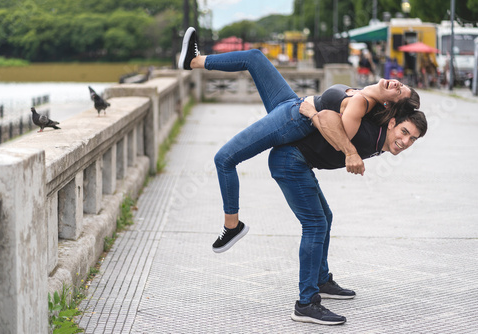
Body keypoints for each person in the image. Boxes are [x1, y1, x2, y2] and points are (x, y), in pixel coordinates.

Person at [178, 27, 420, 253]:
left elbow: (336, 134)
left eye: (400, 91)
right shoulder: (365, 93)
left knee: (224, 159)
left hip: (294, 118)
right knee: (253, 57)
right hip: (292, 102)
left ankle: (232, 226)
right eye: (402, 85)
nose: (398, 83)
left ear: (389, 104)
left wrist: (325, 128)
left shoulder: (362, 103)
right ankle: (194, 61)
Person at [268, 107, 428, 325]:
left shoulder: (383, 140)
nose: (406, 141)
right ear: (391, 124)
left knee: (325, 217)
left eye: (413, 139)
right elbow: (340, 109)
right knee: (315, 225)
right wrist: (314, 110)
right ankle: (306, 304)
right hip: (289, 160)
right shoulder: (367, 134)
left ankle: (321, 280)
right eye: (404, 131)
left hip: (300, 162)